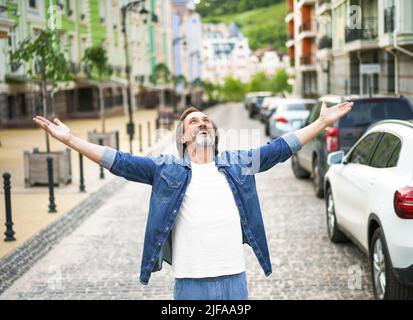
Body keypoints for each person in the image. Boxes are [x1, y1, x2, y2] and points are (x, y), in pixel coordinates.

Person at [33, 100, 353, 300]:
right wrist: (71, 140)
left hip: (234, 280)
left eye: (206, 121)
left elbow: (281, 148)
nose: (202, 123)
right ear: (184, 138)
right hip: (190, 285)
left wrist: (322, 123)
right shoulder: (165, 170)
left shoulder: (238, 164)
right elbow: (120, 161)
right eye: (193, 122)